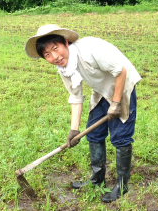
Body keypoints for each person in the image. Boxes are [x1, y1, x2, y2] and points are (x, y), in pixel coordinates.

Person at [25, 24, 141, 203]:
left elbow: (121, 71)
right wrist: (74, 130)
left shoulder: (89, 50)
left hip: (122, 85)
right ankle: (96, 179)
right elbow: (76, 96)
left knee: (120, 137)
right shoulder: (65, 68)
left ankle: (122, 185)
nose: (55, 57)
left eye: (55, 48)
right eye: (47, 54)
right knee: (93, 134)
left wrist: (116, 103)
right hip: (102, 89)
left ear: (65, 42)